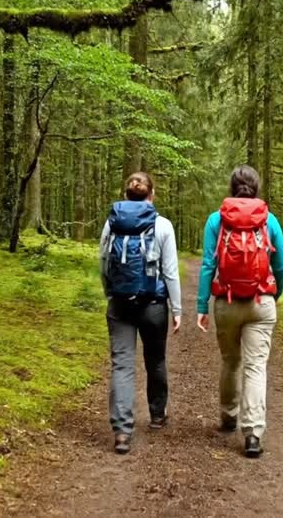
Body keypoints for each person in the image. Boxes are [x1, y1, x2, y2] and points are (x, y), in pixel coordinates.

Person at [196, 165, 283, 458]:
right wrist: (274, 293)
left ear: (231, 188)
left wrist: (202, 305)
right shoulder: (269, 219)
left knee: (230, 361)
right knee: (256, 366)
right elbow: (280, 265)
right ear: (256, 188)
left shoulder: (216, 220)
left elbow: (208, 265)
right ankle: (253, 434)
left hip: (227, 302)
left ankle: (228, 415)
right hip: (262, 302)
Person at [100, 172, 182, 455]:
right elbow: (170, 271)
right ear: (152, 194)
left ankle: (122, 432)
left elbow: (103, 260)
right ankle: (157, 415)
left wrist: (109, 291)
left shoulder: (112, 223)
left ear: (126, 194)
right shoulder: (163, 225)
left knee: (122, 364)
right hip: (153, 304)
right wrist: (177, 308)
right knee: (155, 358)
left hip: (119, 302)